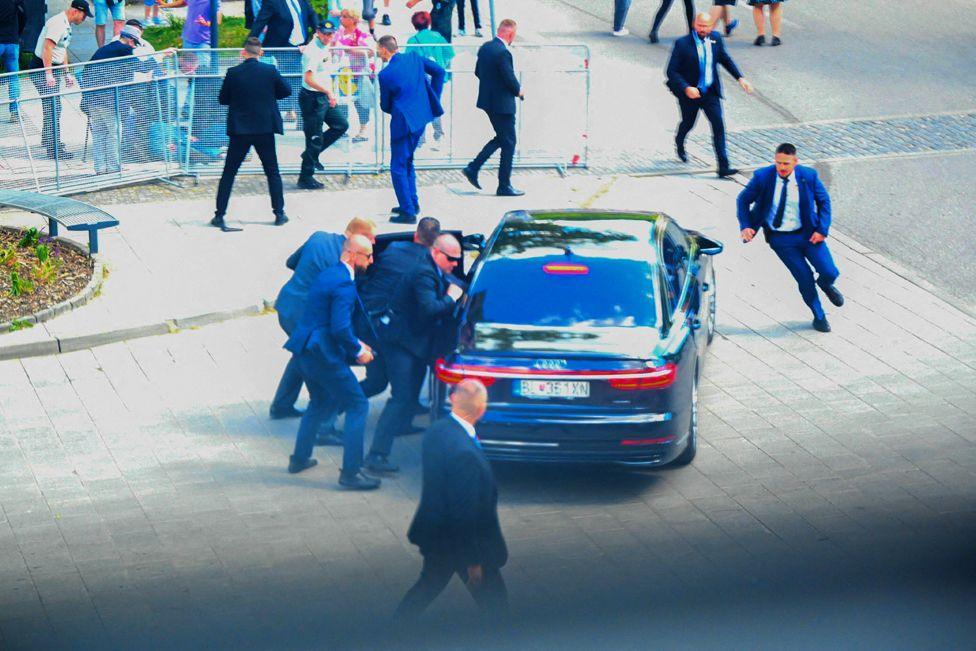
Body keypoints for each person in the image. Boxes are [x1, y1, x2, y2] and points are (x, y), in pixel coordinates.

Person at [394, 379, 509, 619]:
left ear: (453, 399)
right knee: (497, 606)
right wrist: (473, 562)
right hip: (466, 544)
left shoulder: (438, 430)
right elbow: (463, 512)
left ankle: (394, 628)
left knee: (427, 587)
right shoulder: (465, 453)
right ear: (481, 410)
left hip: (437, 536)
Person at [285, 234, 381, 491]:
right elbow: (339, 327)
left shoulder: (330, 274)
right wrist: (358, 350)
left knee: (319, 402)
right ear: (351, 254)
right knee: (358, 405)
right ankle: (351, 472)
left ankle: (299, 459)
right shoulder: (343, 285)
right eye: (367, 255)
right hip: (323, 356)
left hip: (305, 351)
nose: (371, 261)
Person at [362, 232, 463, 474]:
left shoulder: (434, 269)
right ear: (436, 253)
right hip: (400, 343)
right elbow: (430, 308)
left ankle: (403, 425)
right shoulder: (423, 274)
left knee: (410, 392)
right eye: (451, 259)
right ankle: (376, 455)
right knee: (401, 396)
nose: (455, 264)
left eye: (458, 260)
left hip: (412, 341)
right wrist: (451, 297)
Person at [271, 217, 378, 425]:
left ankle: (282, 405)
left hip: (286, 304)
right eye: (371, 240)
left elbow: (291, 262)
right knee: (324, 364)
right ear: (358, 237)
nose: (373, 245)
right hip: (305, 317)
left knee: (301, 355)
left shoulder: (318, 237)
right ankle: (323, 421)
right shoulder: (341, 263)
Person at [736, 143, 843, 333]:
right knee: (804, 277)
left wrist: (822, 229)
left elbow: (824, 201)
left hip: (809, 234)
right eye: (778, 163)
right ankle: (819, 315)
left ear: (795, 162)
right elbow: (743, 200)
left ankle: (826, 284)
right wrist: (746, 226)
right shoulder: (763, 177)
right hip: (781, 240)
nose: (782, 168)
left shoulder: (808, 176)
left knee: (830, 271)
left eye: (786, 163)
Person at [212, 37, 292, 232]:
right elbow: (287, 91)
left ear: (243, 52)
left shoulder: (233, 73)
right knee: (272, 171)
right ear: (260, 53)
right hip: (265, 128)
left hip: (241, 129)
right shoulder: (270, 71)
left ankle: (220, 214)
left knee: (229, 172)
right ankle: (279, 213)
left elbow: (223, 99)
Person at [358, 216, 441, 402]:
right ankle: (329, 409)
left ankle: (328, 412)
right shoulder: (429, 265)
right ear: (435, 241)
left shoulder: (393, 248)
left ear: (415, 235)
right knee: (387, 380)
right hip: (392, 325)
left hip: (368, 318)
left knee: (377, 380)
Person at [665, 12, 754, 178]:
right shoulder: (682, 44)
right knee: (688, 122)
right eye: (699, 25)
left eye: (706, 26)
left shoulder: (715, 39)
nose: (702, 29)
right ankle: (680, 142)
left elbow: (725, 59)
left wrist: (740, 78)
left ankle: (723, 166)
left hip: (710, 92)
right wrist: (686, 88)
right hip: (690, 94)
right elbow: (671, 71)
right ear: (694, 25)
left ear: (711, 26)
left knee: (718, 125)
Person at [376, 34, 445, 224]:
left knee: (398, 166)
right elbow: (439, 71)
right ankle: (412, 203)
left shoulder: (385, 74)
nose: (377, 53)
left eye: (378, 50)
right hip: (420, 118)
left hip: (402, 122)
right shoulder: (414, 58)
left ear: (384, 48)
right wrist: (432, 98)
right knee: (408, 161)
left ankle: (408, 211)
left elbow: (385, 105)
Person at [461, 18, 523, 198]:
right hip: (502, 104)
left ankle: (474, 167)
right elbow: (509, 78)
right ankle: (503, 185)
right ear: (511, 33)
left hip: (488, 101)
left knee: (503, 139)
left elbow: (478, 72)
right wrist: (519, 91)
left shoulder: (486, 47)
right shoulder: (503, 53)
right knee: (509, 142)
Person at [30, 0, 91, 160]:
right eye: (84, 16)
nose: (83, 20)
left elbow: (62, 49)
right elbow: (47, 49)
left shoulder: (66, 24)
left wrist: (66, 73)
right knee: (54, 108)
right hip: (41, 68)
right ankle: (53, 148)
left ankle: (47, 139)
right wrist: (48, 74)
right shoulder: (57, 23)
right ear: (76, 11)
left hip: (52, 68)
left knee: (52, 105)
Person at [80, 26, 141, 175]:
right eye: (134, 44)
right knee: (115, 132)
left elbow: (86, 70)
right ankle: (114, 167)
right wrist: (162, 57)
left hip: (92, 98)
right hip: (107, 100)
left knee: (100, 133)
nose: (134, 47)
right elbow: (141, 66)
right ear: (130, 40)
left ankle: (100, 168)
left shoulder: (104, 49)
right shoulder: (124, 49)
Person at [297, 20, 349, 189]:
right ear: (318, 32)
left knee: (341, 124)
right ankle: (305, 177)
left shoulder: (321, 45)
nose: (328, 37)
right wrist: (328, 92)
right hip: (313, 97)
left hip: (323, 96)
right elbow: (309, 78)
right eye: (325, 34)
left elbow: (323, 70)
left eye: (330, 34)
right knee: (314, 137)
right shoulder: (313, 51)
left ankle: (310, 154)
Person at [406, 11, 453, 147]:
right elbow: (449, 54)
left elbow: (409, 62)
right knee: (435, 103)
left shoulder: (412, 41)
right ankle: (439, 135)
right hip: (438, 77)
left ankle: (421, 139)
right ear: (429, 22)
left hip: (421, 79)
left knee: (421, 106)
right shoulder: (438, 37)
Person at [333, 7, 376, 144]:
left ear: (353, 20)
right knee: (341, 102)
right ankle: (342, 129)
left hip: (359, 74)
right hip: (341, 74)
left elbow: (369, 51)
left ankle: (363, 130)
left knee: (361, 103)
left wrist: (348, 49)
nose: (341, 18)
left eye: (344, 16)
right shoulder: (337, 33)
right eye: (341, 16)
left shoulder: (362, 33)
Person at [0, 0, 26, 123]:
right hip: (12, 41)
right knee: (13, 78)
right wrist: (17, 33)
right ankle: (15, 112)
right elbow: (23, 15)